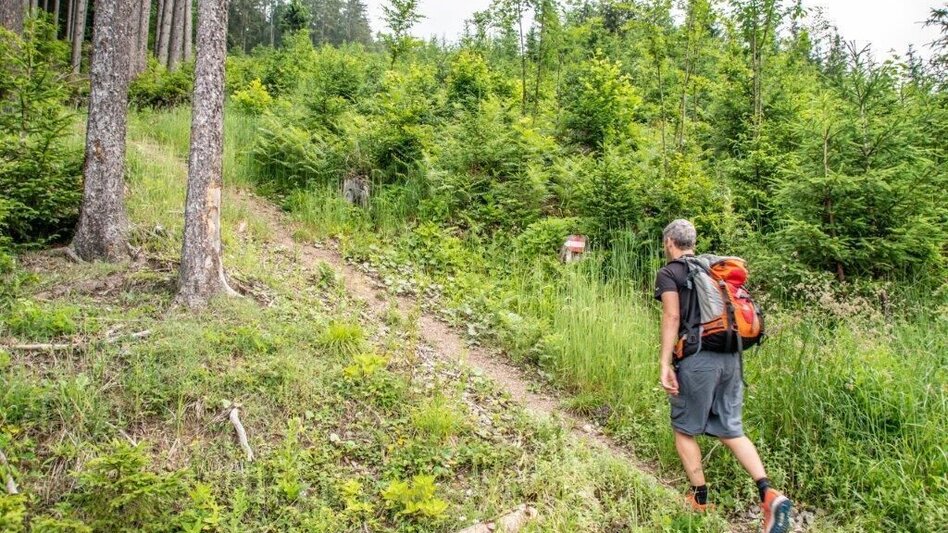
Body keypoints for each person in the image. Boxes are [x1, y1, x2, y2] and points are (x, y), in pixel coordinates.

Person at [654, 219, 792, 533]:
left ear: (669, 242)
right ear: (692, 242)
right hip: (732, 360)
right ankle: (769, 493)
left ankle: (699, 500)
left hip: (698, 360)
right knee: (731, 430)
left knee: (683, 427)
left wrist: (664, 362)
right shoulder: (711, 270)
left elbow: (672, 315)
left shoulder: (671, 272)